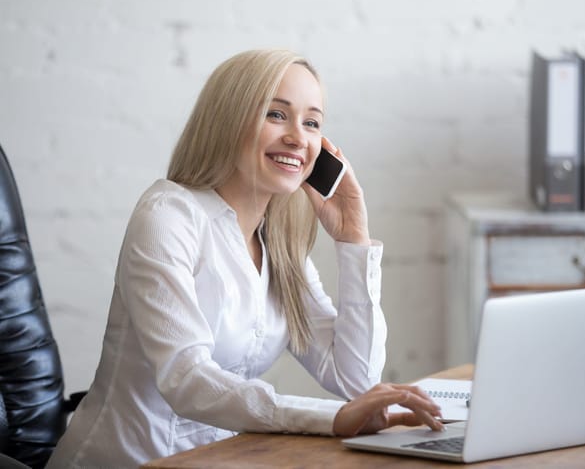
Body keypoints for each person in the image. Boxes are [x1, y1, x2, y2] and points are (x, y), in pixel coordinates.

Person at [47, 49, 443, 468]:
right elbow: (186, 379)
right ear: (229, 120)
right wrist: (332, 419)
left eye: (311, 123)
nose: (297, 137)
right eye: (277, 115)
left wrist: (354, 240)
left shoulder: (281, 246)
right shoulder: (168, 214)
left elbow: (356, 379)